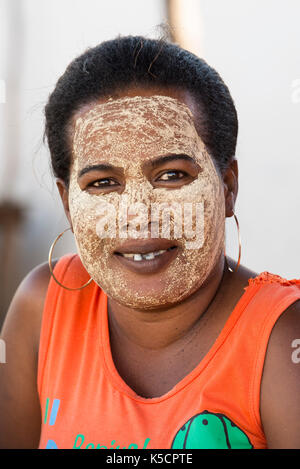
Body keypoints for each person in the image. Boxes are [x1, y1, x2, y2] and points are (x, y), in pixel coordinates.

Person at [0, 35, 299, 450]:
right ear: (69, 204)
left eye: (172, 174)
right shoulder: (42, 307)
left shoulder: (284, 341)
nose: (138, 214)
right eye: (103, 183)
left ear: (228, 187)